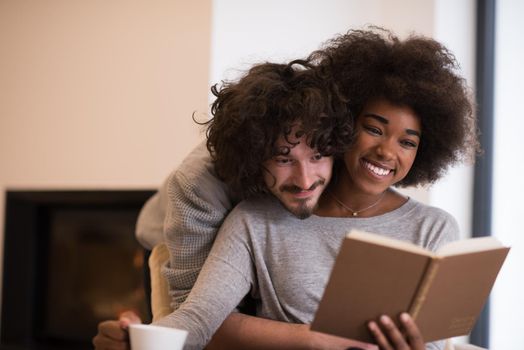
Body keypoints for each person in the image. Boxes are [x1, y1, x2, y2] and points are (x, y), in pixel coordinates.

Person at [94, 27, 478, 350]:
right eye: (374, 128)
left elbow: (435, 341)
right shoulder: (254, 220)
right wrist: (139, 336)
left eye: (407, 141)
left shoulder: (435, 228)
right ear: (345, 129)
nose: (386, 150)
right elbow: (199, 316)